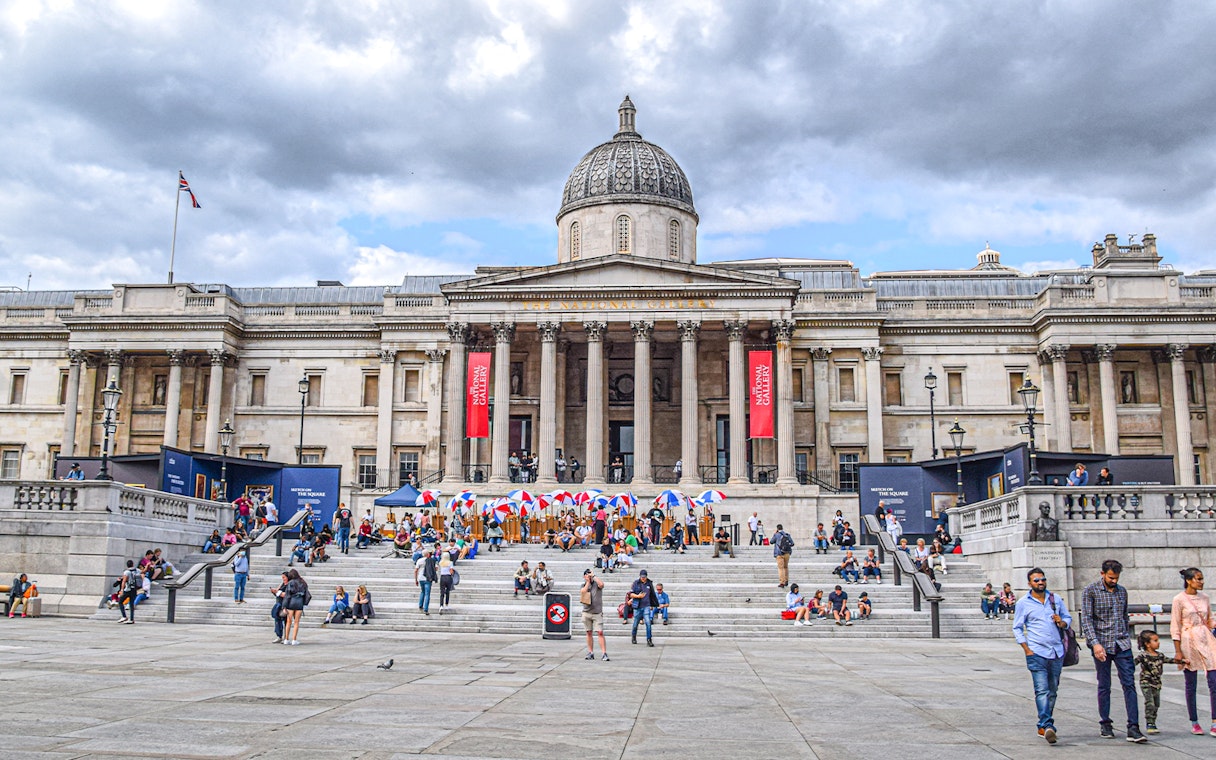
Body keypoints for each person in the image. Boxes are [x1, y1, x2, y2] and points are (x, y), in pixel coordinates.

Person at [1080, 559, 1144, 742]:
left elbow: (1124, 616)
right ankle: (1105, 723)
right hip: (1102, 644)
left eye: (1116, 578)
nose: (1114, 581)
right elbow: (1087, 620)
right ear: (1102, 574)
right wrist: (1095, 643)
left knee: (1129, 684)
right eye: (1110, 577)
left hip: (1122, 643)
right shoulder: (1090, 591)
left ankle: (1133, 726)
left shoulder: (1122, 592)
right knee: (1104, 685)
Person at [1013, 567, 1072, 745]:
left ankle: (1043, 725)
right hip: (1036, 652)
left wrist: (1062, 622)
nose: (1040, 583)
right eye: (1036, 580)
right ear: (1029, 583)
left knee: (1052, 691)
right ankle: (1047, 725)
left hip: (1056, 651)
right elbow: (1017, 627)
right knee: (1042, 690)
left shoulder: (1055, 599)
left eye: (1042, 579)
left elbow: (1067, 618)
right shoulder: (1024, 603)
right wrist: (1026, 649)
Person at [1171, 567, 1216, 736]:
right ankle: (1194, 721)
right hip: (1188, 640)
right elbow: (1175, 625)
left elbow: (1210, 620)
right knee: (1191, 683)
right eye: (1198, 579)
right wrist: (1178, 651)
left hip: (1205, 638)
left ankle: (1215, 721)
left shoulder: (1205, 598)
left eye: (1202, 578)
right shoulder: (1179, 599)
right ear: (1189, 580)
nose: (1201, 581)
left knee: (1214, 680)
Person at [1136, 629, 1185, 734]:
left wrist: (1182, 661)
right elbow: (1132, 664)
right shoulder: (1143, 656)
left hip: (1157, 683)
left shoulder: (1160, 655)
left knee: (1156, 704)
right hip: (1146, 682)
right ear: (1147, 644)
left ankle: (1153, 721)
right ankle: (1149, 722)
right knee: (1150, 702)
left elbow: (1170, 660)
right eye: (1155, 640)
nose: (1158, 642)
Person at [581, 568, 607, 661]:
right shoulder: (583, 585)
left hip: (597, 612)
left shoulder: (596, 584)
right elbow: (583, 592)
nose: (589, 577)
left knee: (600, 632)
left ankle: (604, 653)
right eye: (587, 575)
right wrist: (588, 582)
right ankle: (590, 652)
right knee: (589, 632)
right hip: (587, 612)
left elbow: (602, 584)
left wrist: (594, 576)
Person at [629, 569, 658, 646]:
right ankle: (634, 636)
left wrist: (653, 604)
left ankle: (649, 639)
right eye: (642, 577)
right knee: (635, 623)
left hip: (646, 606)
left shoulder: (649, 583)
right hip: (638, 606)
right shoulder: (636, 583)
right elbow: (631, 594)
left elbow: (652, 594)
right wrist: (638, 596)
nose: (643, 578)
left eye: (644, 577)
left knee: (648, 623)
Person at [282, 569, 308, 645]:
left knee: (289, 622)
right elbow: (306, 594)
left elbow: (287, 595)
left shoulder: (290, 583)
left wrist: (284, 606)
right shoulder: (303, 582)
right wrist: (305, 603)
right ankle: (294, 639)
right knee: (296, 622)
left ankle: (286, 639)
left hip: (291, 602)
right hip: (299, 602)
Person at [414, 547, 438, 615]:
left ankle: (420, 604)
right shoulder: (431, 560)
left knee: (422, 591)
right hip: (428, 578)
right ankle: (426, 609)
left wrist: (416, 579)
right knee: (427, 593)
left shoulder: (419, 560)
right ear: (428, 554)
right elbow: (436, 568)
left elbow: (416, 570)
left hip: (421, 578)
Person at [269, 571, 289, 643]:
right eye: (282, 577)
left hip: (285, 605)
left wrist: (278, 593)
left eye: (284, 577)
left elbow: (287, 595)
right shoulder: (282, 584)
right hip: (279, 604)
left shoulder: (289, 585)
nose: (283, 579)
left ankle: (286, 637)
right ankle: (279, 636)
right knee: (277, 620)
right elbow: (278, 593)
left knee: (286, 621)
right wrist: (274, 592)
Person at [772, 524, 793, 588]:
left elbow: (771, 541)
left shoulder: (776, 535)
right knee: (786, 567)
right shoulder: (787, 535)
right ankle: (786, 581)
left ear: (777, 529)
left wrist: (774, 534)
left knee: (781, 568)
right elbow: (792, 543)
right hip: (787, 553)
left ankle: (782, 582)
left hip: (779, 553)